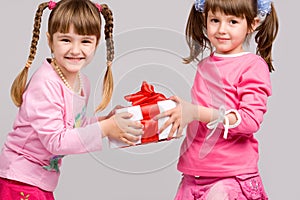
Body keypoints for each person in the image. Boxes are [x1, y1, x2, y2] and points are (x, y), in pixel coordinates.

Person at [0, 0, 143, 199]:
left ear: (97, 43)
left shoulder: (82, 82)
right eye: (66, 40)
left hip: (40, 182)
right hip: (19, 179)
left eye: (85, 41)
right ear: (50, 41)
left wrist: (106, 121)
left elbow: (73, 129)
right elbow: (56, 141)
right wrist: (105, 128)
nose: (75, 50)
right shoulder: (45, 83)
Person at [155, 0, 279, 199]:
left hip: (230, 177)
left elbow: (249, 121)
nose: (222, 29)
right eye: (215, 20)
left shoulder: (252, 65)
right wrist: (175, 120)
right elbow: (203, 120)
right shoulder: (205, 65)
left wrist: (194, 112)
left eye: (233, 22)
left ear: (253, 24)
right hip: (193, 174)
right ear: (204, 19)